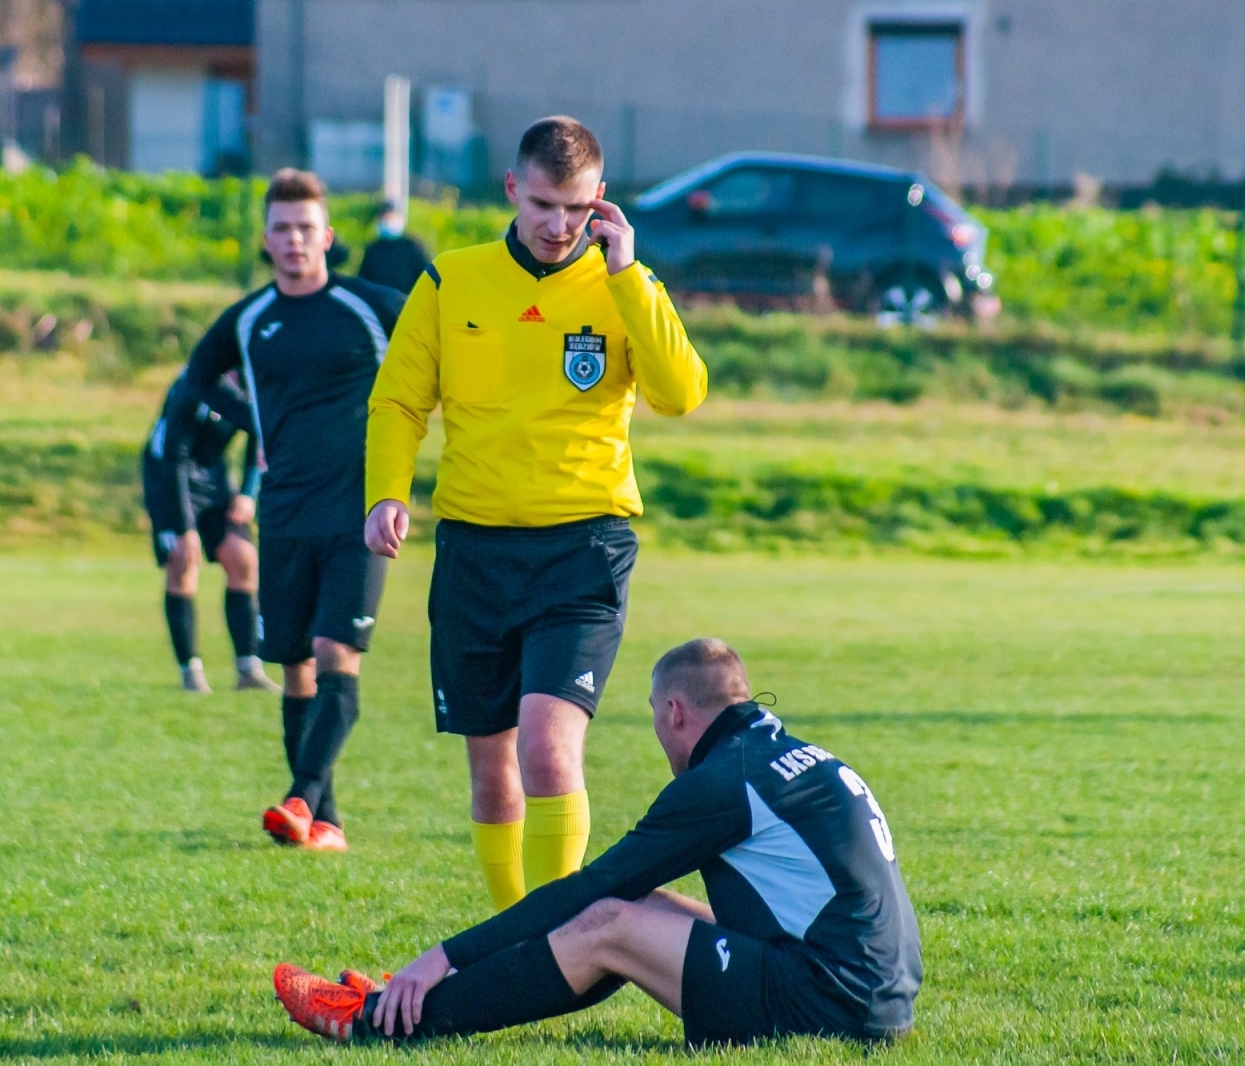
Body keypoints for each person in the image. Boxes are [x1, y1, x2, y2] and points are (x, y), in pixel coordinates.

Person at [363, 117, 707, 907]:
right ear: (514, 189)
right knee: (493, 773)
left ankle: (558, 947)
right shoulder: (452, 281)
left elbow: (680, 394)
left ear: (602, 204)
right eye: (546, 205)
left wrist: (629, 278)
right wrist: (386, 492)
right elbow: (398, 401)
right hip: (476, 553)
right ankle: (511, 942)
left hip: (582, 549)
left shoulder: (626, 288)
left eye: (578, 209)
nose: (560, 226)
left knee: (549, 754)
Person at [273, 638, 922, 1048]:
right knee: (646, 907)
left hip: (828, 1002)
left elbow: (593, 889)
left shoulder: (724, 779)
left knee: (608, 921)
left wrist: (443, 955)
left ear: (674, 712)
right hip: (869, 994)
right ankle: (410, 1004)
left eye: (652, 715)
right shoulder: (789, 754)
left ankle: (381, 1019)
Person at [185, 169, 405, 851]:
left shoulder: (371, 306)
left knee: (336, 649)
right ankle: (324, 821)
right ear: (266, 239)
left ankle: (297, 799)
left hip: (357, 514)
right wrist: (253, 423)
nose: (293, 240)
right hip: (283, 513)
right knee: (295, 666)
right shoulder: (250, 320)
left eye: (306, 228)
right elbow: (197, 376)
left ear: (328, 237)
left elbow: (437, 356)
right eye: (281, 228)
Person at [140, 368, 279, 694]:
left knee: (243, 559)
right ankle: (191, 672)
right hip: (169, 476)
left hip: (213, 477)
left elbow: (261, 433)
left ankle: (249, 670)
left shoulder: (257, 382)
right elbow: (173, 453)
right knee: (183, 563)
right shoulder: (197, 382)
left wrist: (247, 491)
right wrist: (185, 528)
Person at [357, 201, 430, 294]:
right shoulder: (373, 249)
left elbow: (425, 276)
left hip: (406, 302)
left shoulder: (412, 246)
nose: (386, 221)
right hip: (379, 303)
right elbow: (363, 280)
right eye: (383, 218)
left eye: (390, 217)